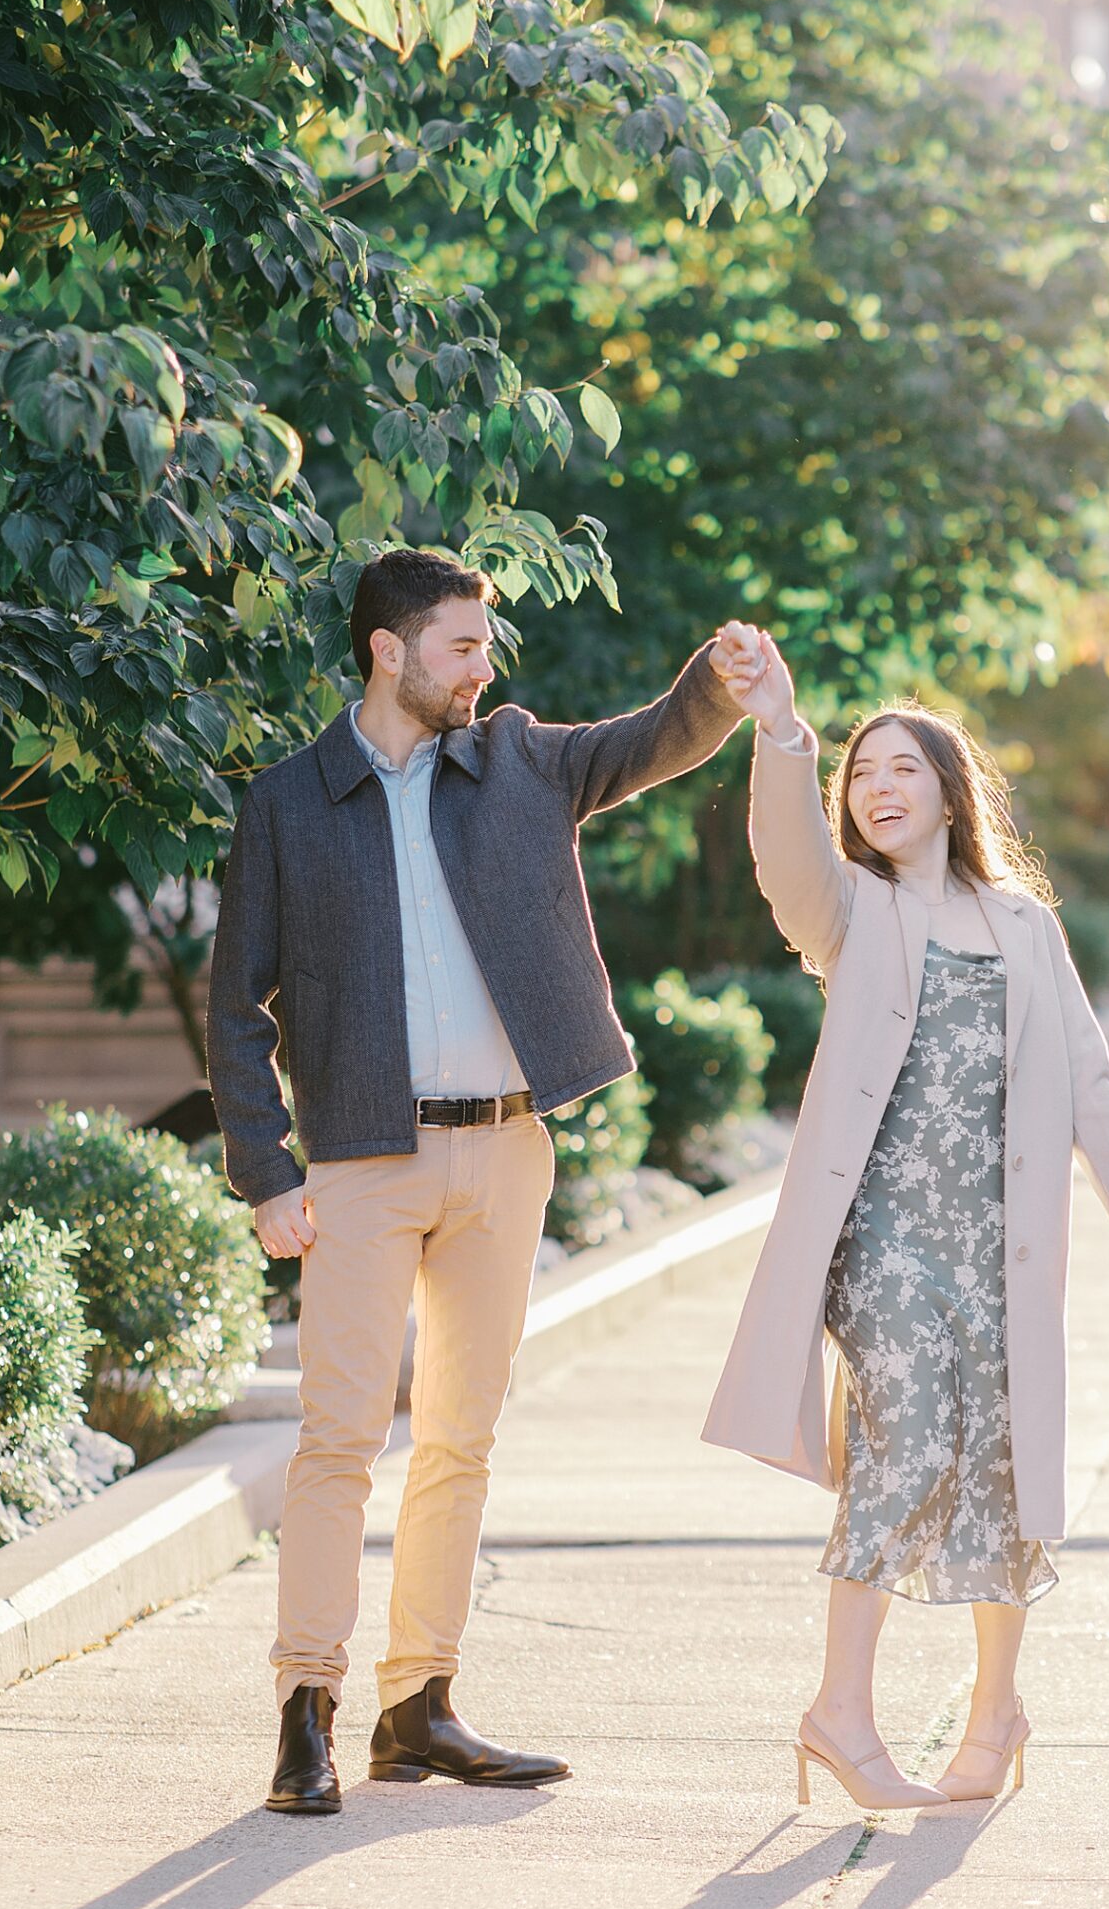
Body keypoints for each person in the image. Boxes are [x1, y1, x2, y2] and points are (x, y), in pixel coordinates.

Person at [206, 549, 746, 1813]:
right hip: (359, 1162)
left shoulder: (517, 760)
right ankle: (307, 1710)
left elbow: (653, 741)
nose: (482, 666)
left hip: (506, 1150)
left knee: (460, 1436)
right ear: (389, 650)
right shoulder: (289, 802)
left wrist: (715, 682)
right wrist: (266, 1173)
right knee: (340, 1435)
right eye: (461, 645)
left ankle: (420, 1705)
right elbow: (236, 1007)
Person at [701, 623, 1109, 1813]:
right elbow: (784, 858)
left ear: (948, 789)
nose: (877, 788)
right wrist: (779, 728)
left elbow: (1085, 1075)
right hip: (880, 1240)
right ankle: (840, 1712)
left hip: (998, 1243)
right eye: (860, 774)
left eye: (900, 768)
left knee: (1002, 1474)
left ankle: (994, 1714)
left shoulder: (1024, 927)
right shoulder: (851, 911)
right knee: (904, 1437)